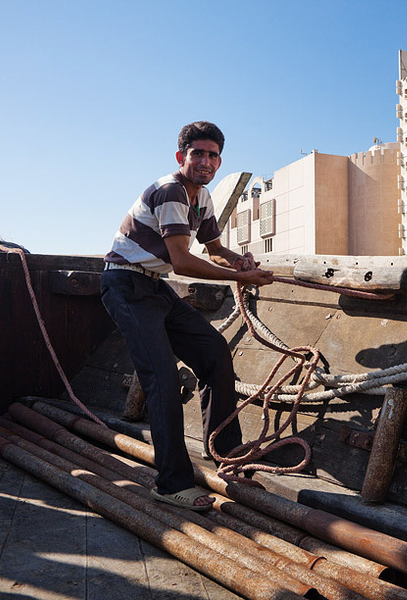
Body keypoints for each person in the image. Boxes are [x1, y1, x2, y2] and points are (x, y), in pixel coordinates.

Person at [100, 121, 273, 511]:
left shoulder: (202, 198)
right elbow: (180, 260)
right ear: (182, 157)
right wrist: (240, 276)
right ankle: (171, 483)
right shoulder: (170, 191)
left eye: (213, 155)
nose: (206, 162)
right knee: (161, 379)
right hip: (125, 286)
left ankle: (226, 454)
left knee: (213, 351)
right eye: (198, 154)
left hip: (153, 287)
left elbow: (212, 248)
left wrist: (236, 259)